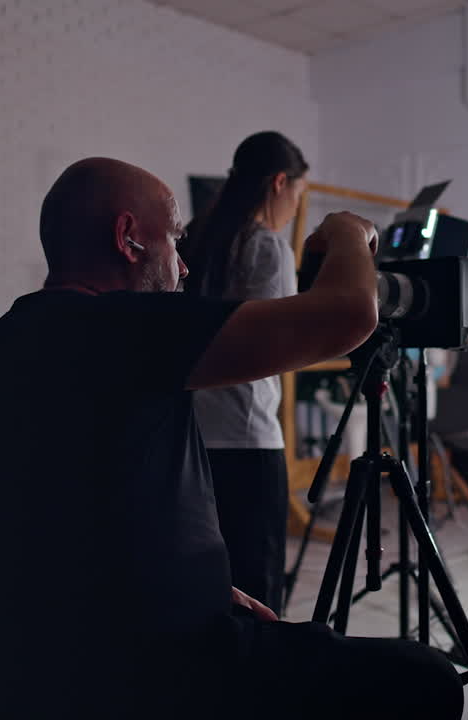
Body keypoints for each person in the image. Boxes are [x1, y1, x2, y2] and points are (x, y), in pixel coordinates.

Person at [0, 157, 463, 720]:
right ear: (128, 238)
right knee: (427, 678)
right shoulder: (124, 326)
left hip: (18, 671)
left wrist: (197, 588)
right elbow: (350, 316)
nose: (184, 266)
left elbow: (58, 526)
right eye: (174, 240)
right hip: (147, 675)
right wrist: (350, 234)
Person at [180, 131, 308, 611]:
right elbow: (281, 343)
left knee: (202, 584)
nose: (295, 207)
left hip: (189, 439)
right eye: (298, 193)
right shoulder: (266, 248)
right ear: (279, 183)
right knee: (257, 588)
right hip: (248, 438)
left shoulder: (195, 239)